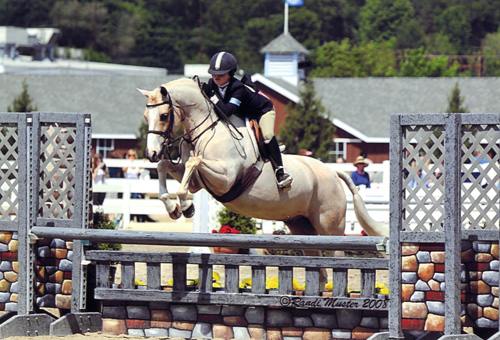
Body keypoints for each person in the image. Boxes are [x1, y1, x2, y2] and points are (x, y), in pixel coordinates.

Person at [202, 51, 292, 189]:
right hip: (242, 113)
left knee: (267, 135)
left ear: (231, 73)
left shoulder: (238, 88)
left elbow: (225, 112)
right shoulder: (212, 84)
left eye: (221, 74)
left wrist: (212, 97)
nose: (216, 77)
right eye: (213, 73)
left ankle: (280, 172)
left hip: (262, 111)